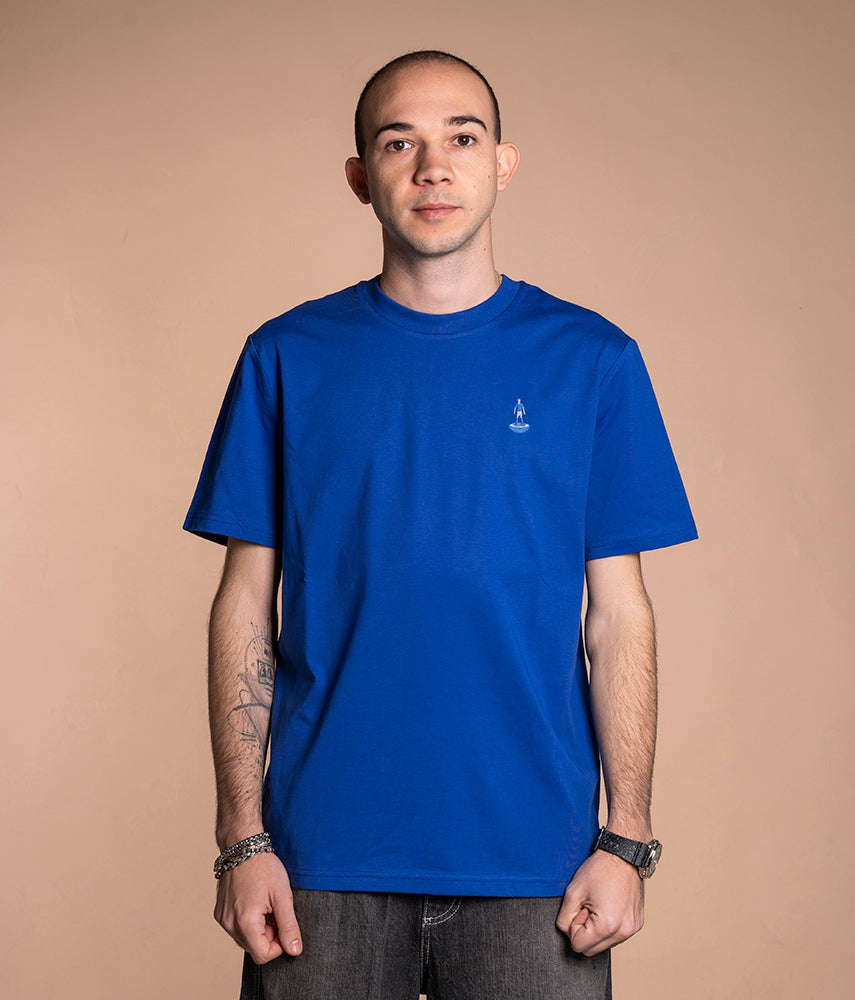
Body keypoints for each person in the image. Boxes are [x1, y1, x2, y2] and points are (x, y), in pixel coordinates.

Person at [184, 49, 697, 1000]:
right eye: (398, 143)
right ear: (359, 178)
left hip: (539, 866)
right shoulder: (285, 358)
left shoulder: (592, 360)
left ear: (501, 163)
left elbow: (618, 616)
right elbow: (244, 607)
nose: (432, 166)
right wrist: (240, 841)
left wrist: (625, 839)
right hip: (318, 860)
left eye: (461, 138)